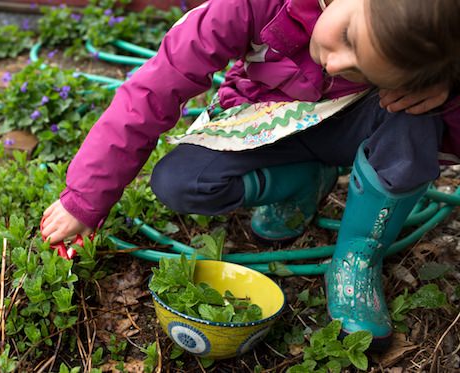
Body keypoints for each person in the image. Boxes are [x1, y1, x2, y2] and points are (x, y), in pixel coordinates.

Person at [41, 0, 460, 348]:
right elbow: (153, 89)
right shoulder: (250, 6)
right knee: (179, 181)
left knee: (419, 119)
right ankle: (302, 182)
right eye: (347, 37)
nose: (334, 64)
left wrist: (447, 84)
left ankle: (356, 257)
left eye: (362, 68)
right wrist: (85, 197)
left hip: (358, 121)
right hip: (273, 117)